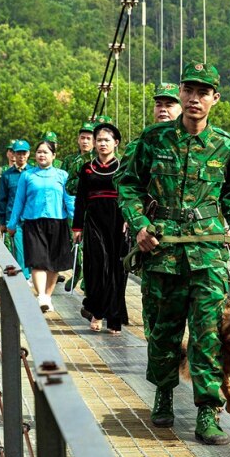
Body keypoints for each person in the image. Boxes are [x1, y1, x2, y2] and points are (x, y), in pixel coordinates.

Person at [116, 61, 230, 444]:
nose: (194, 98)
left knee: (208, 335)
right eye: (189, 91)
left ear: (214, 99)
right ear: (181, 94)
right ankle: (163, 391)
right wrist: (139, 224)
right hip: (163, 249)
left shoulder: (225, 145)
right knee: (163, 331)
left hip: (208, 252)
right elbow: (128, 186)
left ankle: (208, 411)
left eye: (203, 92)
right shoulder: (154, 139)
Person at [71, 123, 129, 335]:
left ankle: (114, 318)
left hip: (118, 221)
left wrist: (130, 219)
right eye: (99, 140)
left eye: (107, 140)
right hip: (94, 221)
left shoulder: (124, 167)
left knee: (116, 269)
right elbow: (80, 200)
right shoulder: (87, 169)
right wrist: (76, 226)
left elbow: (132, 196)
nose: (102, 144)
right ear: (94, 144)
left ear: (116, 143)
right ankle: (96, 311)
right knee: (96, 269)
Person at [6, 139, 75, 313]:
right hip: (33, 223)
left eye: (45, 152)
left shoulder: (62, 175)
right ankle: (41, 296)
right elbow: (19, 201)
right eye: (39, 152)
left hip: (57, 222)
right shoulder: (27, 176)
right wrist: (12, 223)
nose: (42, 155)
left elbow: (69, 201)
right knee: (38, 261)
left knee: (54, 264)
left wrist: (77, 225)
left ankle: (47, 296)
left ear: (53, 155)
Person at [0, 139, 32, 280]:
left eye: (24, 153)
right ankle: (25, 276)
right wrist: (3, 221)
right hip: (14, 218)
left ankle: (30, 274)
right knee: (19, 249)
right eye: (18, 153)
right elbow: (2, 199)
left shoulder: (34, 173)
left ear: (28, 154)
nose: (21, 156)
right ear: (13, 155)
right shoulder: (7, 175)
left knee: (32, 247)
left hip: (31, 217)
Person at [65, 122, 96, 195]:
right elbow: (65, 183)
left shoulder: (99, 159)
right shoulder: (69, 160)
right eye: (82, 138)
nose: (85, 141)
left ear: (94, 141)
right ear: (78, 140)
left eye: (88, 139)